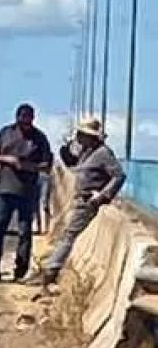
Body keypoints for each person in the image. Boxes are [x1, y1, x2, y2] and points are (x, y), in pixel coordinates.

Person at [34, 117, 126, 286]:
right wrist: (66, 147)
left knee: (69, 235)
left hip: (89, 201)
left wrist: (102, 195)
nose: (78, 137)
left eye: (81, 135)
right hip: (80, 199)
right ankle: (51, 269)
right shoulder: (87, 152)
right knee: (67, 234)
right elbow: (72, 163)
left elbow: (119, 176)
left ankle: (50, 271)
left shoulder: (103, 153)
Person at [0, 104, 52, 284]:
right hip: (5, 189)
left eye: (28, 119)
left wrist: (28, 166)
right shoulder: (5, 133)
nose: (25, 122)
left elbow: (46, 165)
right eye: (22, 118)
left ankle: (20, 272)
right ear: (17, 117)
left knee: (25, 232)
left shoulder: (39, 138)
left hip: (27, 191)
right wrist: (8, 160)